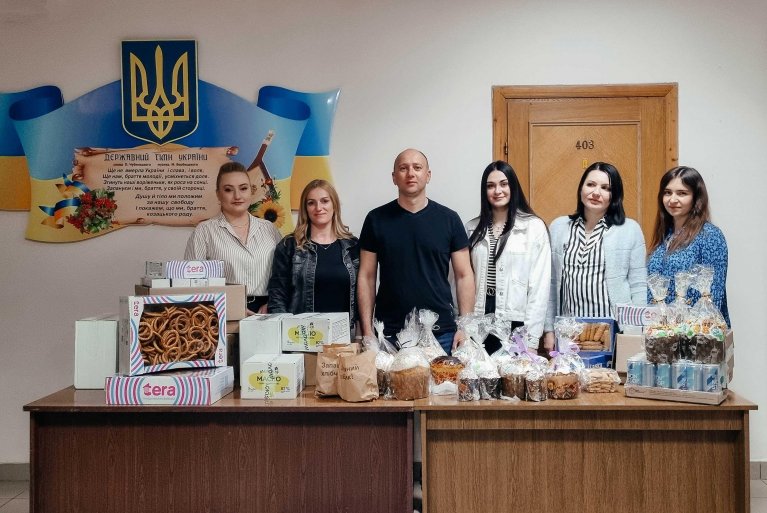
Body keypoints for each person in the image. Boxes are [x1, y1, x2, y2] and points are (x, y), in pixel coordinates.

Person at [357, 148, 475, 354]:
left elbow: (464, 275)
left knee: (445, 378)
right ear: (394, 177)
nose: (410, 173)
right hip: (389, 334)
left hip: (442, 333)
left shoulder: (449, 219)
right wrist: (367, 331)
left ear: (428, 175)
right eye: (403, 168)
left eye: (417, 167)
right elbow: (366, 276)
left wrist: (465, 328)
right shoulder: (376, 220)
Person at [544, 162, 647, 349]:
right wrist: (549, 330)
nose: (596, 192)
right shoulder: (559, 227)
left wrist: (636, 333)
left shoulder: (629, 229)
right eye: (590, 184)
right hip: (568, 330)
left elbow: (638, 285)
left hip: (614, 331)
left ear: (614, 195)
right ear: (581, 188)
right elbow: (550, 285)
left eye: (606, 188)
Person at [466, 161, 551, 354]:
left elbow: (539, 288)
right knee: (479, 372)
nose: (498, 191)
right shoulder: (471, 228)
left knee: (514, 373)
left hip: (516, 321)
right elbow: (460, 282)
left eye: (504, 184)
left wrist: (531, 340)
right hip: (479, 320)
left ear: (513, 186)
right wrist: (463, 325)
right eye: (491, 186)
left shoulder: (533, 227)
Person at [185, 161, 282, 313]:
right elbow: (191, 284)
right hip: (221, 311)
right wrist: (230, 307)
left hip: (266, 312)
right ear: (218, 194)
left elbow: (283, 275)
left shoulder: (269, 229)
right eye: (228, 190)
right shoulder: (204, 232)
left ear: (251, 191)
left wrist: (272, 302)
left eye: (243, 188)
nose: (237, 196)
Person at [267, 180, 360, 325]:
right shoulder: (289, 246)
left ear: (334, 205)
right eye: (311, 203)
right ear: (305, 209)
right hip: (302, 333)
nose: (318, 208)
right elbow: (277, 296)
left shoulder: (352, 246)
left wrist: (361, 333)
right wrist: (284, 330)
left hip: (344, 334)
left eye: (324, 201)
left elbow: (362, 295)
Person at [647, 166, 730, 326]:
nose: (672, 200)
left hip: (696, 334)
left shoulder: (710, 235)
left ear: (696, 197)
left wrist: (692, 331)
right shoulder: (664, 235)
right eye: (667, 192)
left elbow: (714, 295)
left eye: (682, 193)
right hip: (661, 331)